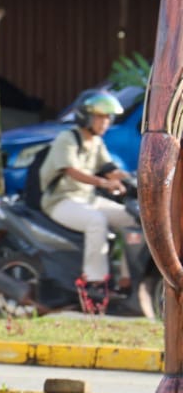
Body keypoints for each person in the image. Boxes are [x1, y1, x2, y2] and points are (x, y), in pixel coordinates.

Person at [39, 91, 136, 300]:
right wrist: (104, 183)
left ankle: (127, 279)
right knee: (96, 221)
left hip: (87, 199)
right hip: (61, 200)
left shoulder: (96, 142)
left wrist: (134, 178)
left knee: (132, 218)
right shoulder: (67, 139)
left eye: (108, 117)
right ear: (85, 116)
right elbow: (72, 171)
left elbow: (110, 169)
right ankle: (94, 282)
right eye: (100, 117)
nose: (106, 122)